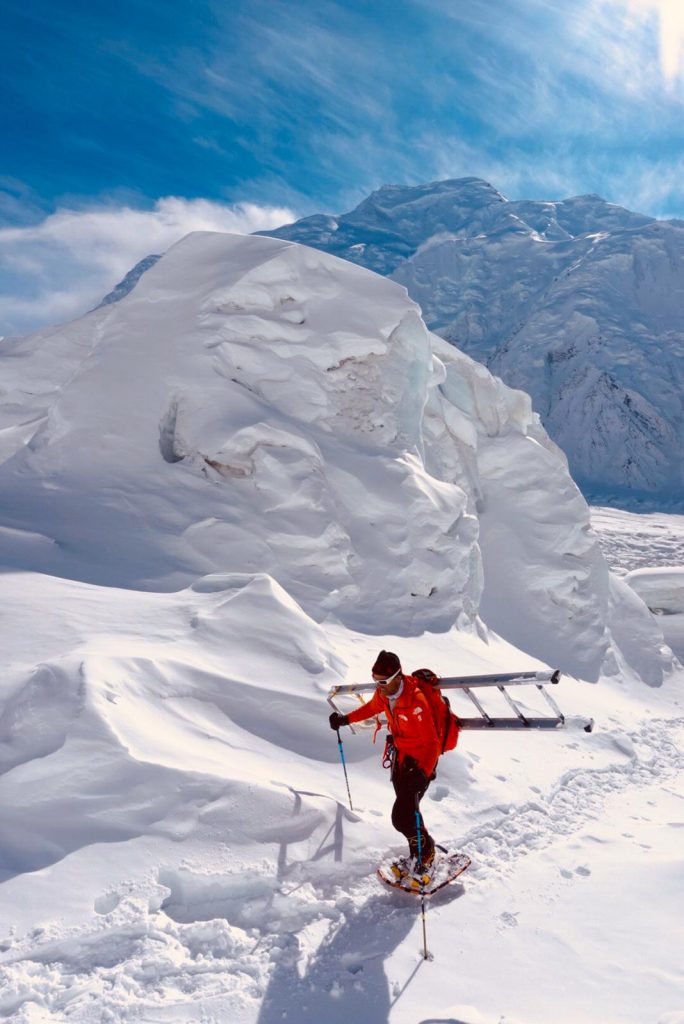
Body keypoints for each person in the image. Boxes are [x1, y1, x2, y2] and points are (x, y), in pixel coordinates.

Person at [329, 650, 441, 886]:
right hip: (402, 760)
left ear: (397, 677)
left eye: (382, 682)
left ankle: (427, 853)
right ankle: (417, 856)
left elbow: (432, 743)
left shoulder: (416, 701)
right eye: (375, 680)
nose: (378, 686)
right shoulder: (385, 694)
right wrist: (345, 719)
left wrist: (423, 773)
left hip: (420, 763)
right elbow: (370, 709)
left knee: (401, 817)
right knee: (409, 813)